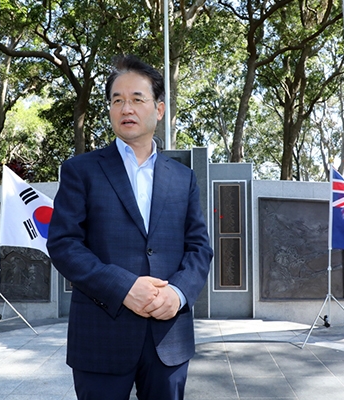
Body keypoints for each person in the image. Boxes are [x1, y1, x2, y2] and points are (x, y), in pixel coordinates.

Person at [47, 55, 213, 400]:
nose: (127, 108)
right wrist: (124, 287)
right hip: (101, 336)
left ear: (160, 109)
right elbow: (64, 244)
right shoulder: (81, 170)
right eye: (117, 100)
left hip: (168, 336)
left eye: (138, 99)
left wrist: (178, 294)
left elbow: (199, 247)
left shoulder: (183, 178)